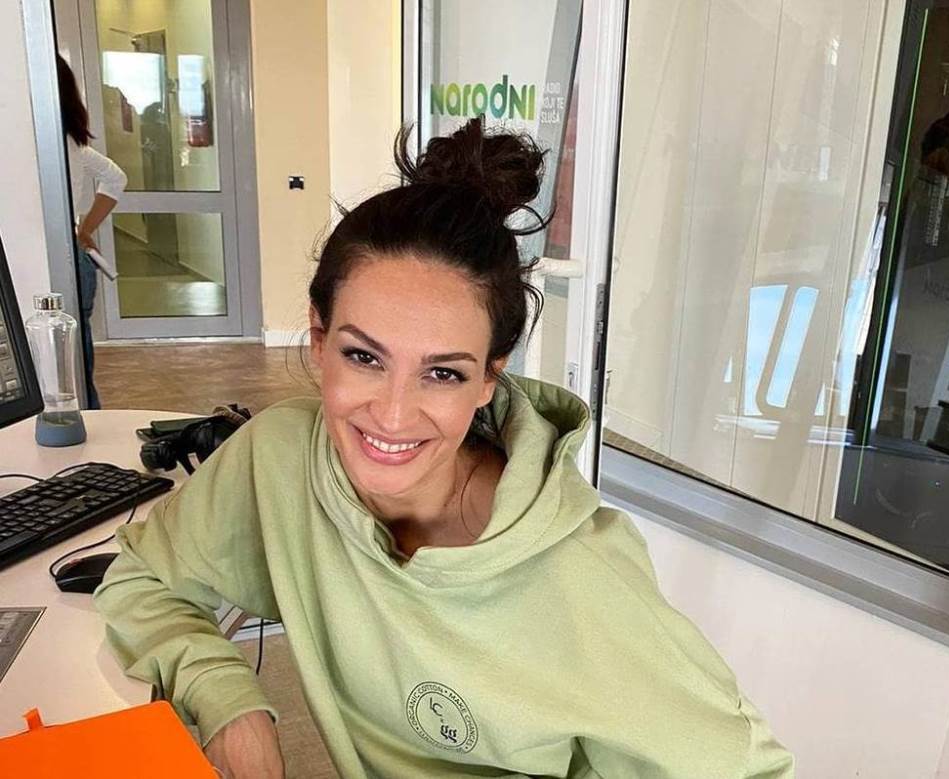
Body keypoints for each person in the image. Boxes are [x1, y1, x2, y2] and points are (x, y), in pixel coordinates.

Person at [94, 118, 794, 778]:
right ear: (318, 338)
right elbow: (140, 577)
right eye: (364, 356)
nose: (393, 414)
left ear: (490, 377)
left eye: (443, 373)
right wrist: (227, 699)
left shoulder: (582, 576)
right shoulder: (278, 458)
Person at [56, 55, 126, 409]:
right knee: (79, 365)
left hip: (63, 257)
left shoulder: (50, 145)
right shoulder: (75, 144)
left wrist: (83, 228)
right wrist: (83, 229)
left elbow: (115, 179)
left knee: (65, 367)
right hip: (76, 254)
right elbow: (116, 178)